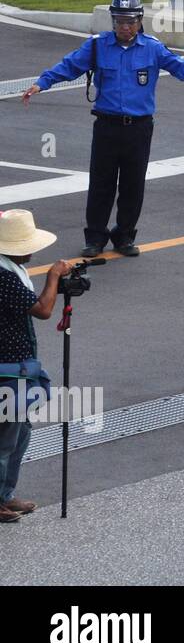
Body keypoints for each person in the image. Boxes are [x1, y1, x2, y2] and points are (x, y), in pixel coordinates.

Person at [21, 0, 184, 256]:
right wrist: (41, 83)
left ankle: (124, 236)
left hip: (139, 128)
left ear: (140, 20)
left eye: (131, 21)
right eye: (120, 20)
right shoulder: (97, 46)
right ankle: (95, 238)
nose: (125, 26)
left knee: (133, 185)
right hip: (107, 126)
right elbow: (68, 66)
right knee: (102, 183)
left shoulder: (153, 48)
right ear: (112, 21)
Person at [0, 209, 72, 522]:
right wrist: (54, 277)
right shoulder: (3, 277)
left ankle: (4, 494)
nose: (32, 250)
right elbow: (43, 309)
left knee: (20, 432)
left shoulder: (10, 269)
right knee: (6, 438)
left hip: (17, 367)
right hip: (6, 370)